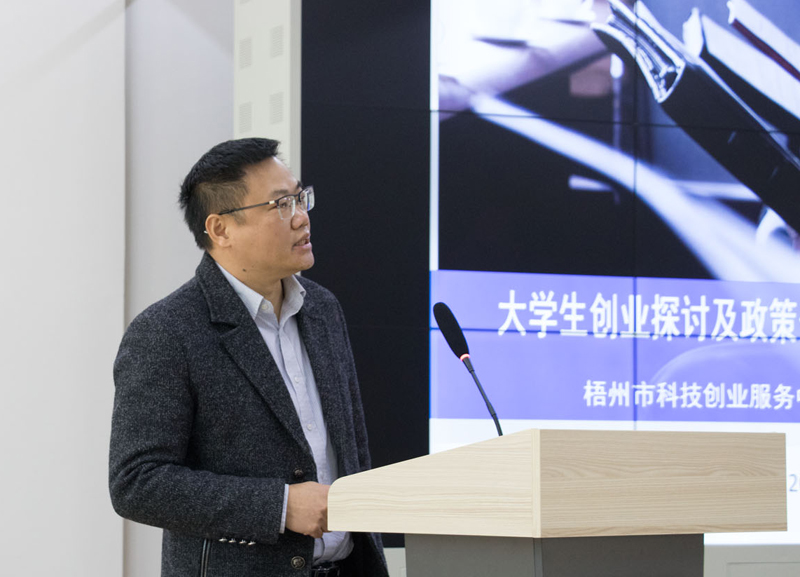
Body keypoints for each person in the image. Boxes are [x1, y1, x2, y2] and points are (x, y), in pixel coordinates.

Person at [109, 138, 389, 577]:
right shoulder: (167, 331)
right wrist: (280, 506)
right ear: (220, 229)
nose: (302, 217)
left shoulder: (323, 310)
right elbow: (137, 482)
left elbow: (353, 450)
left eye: (300, 197)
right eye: (281, 205)